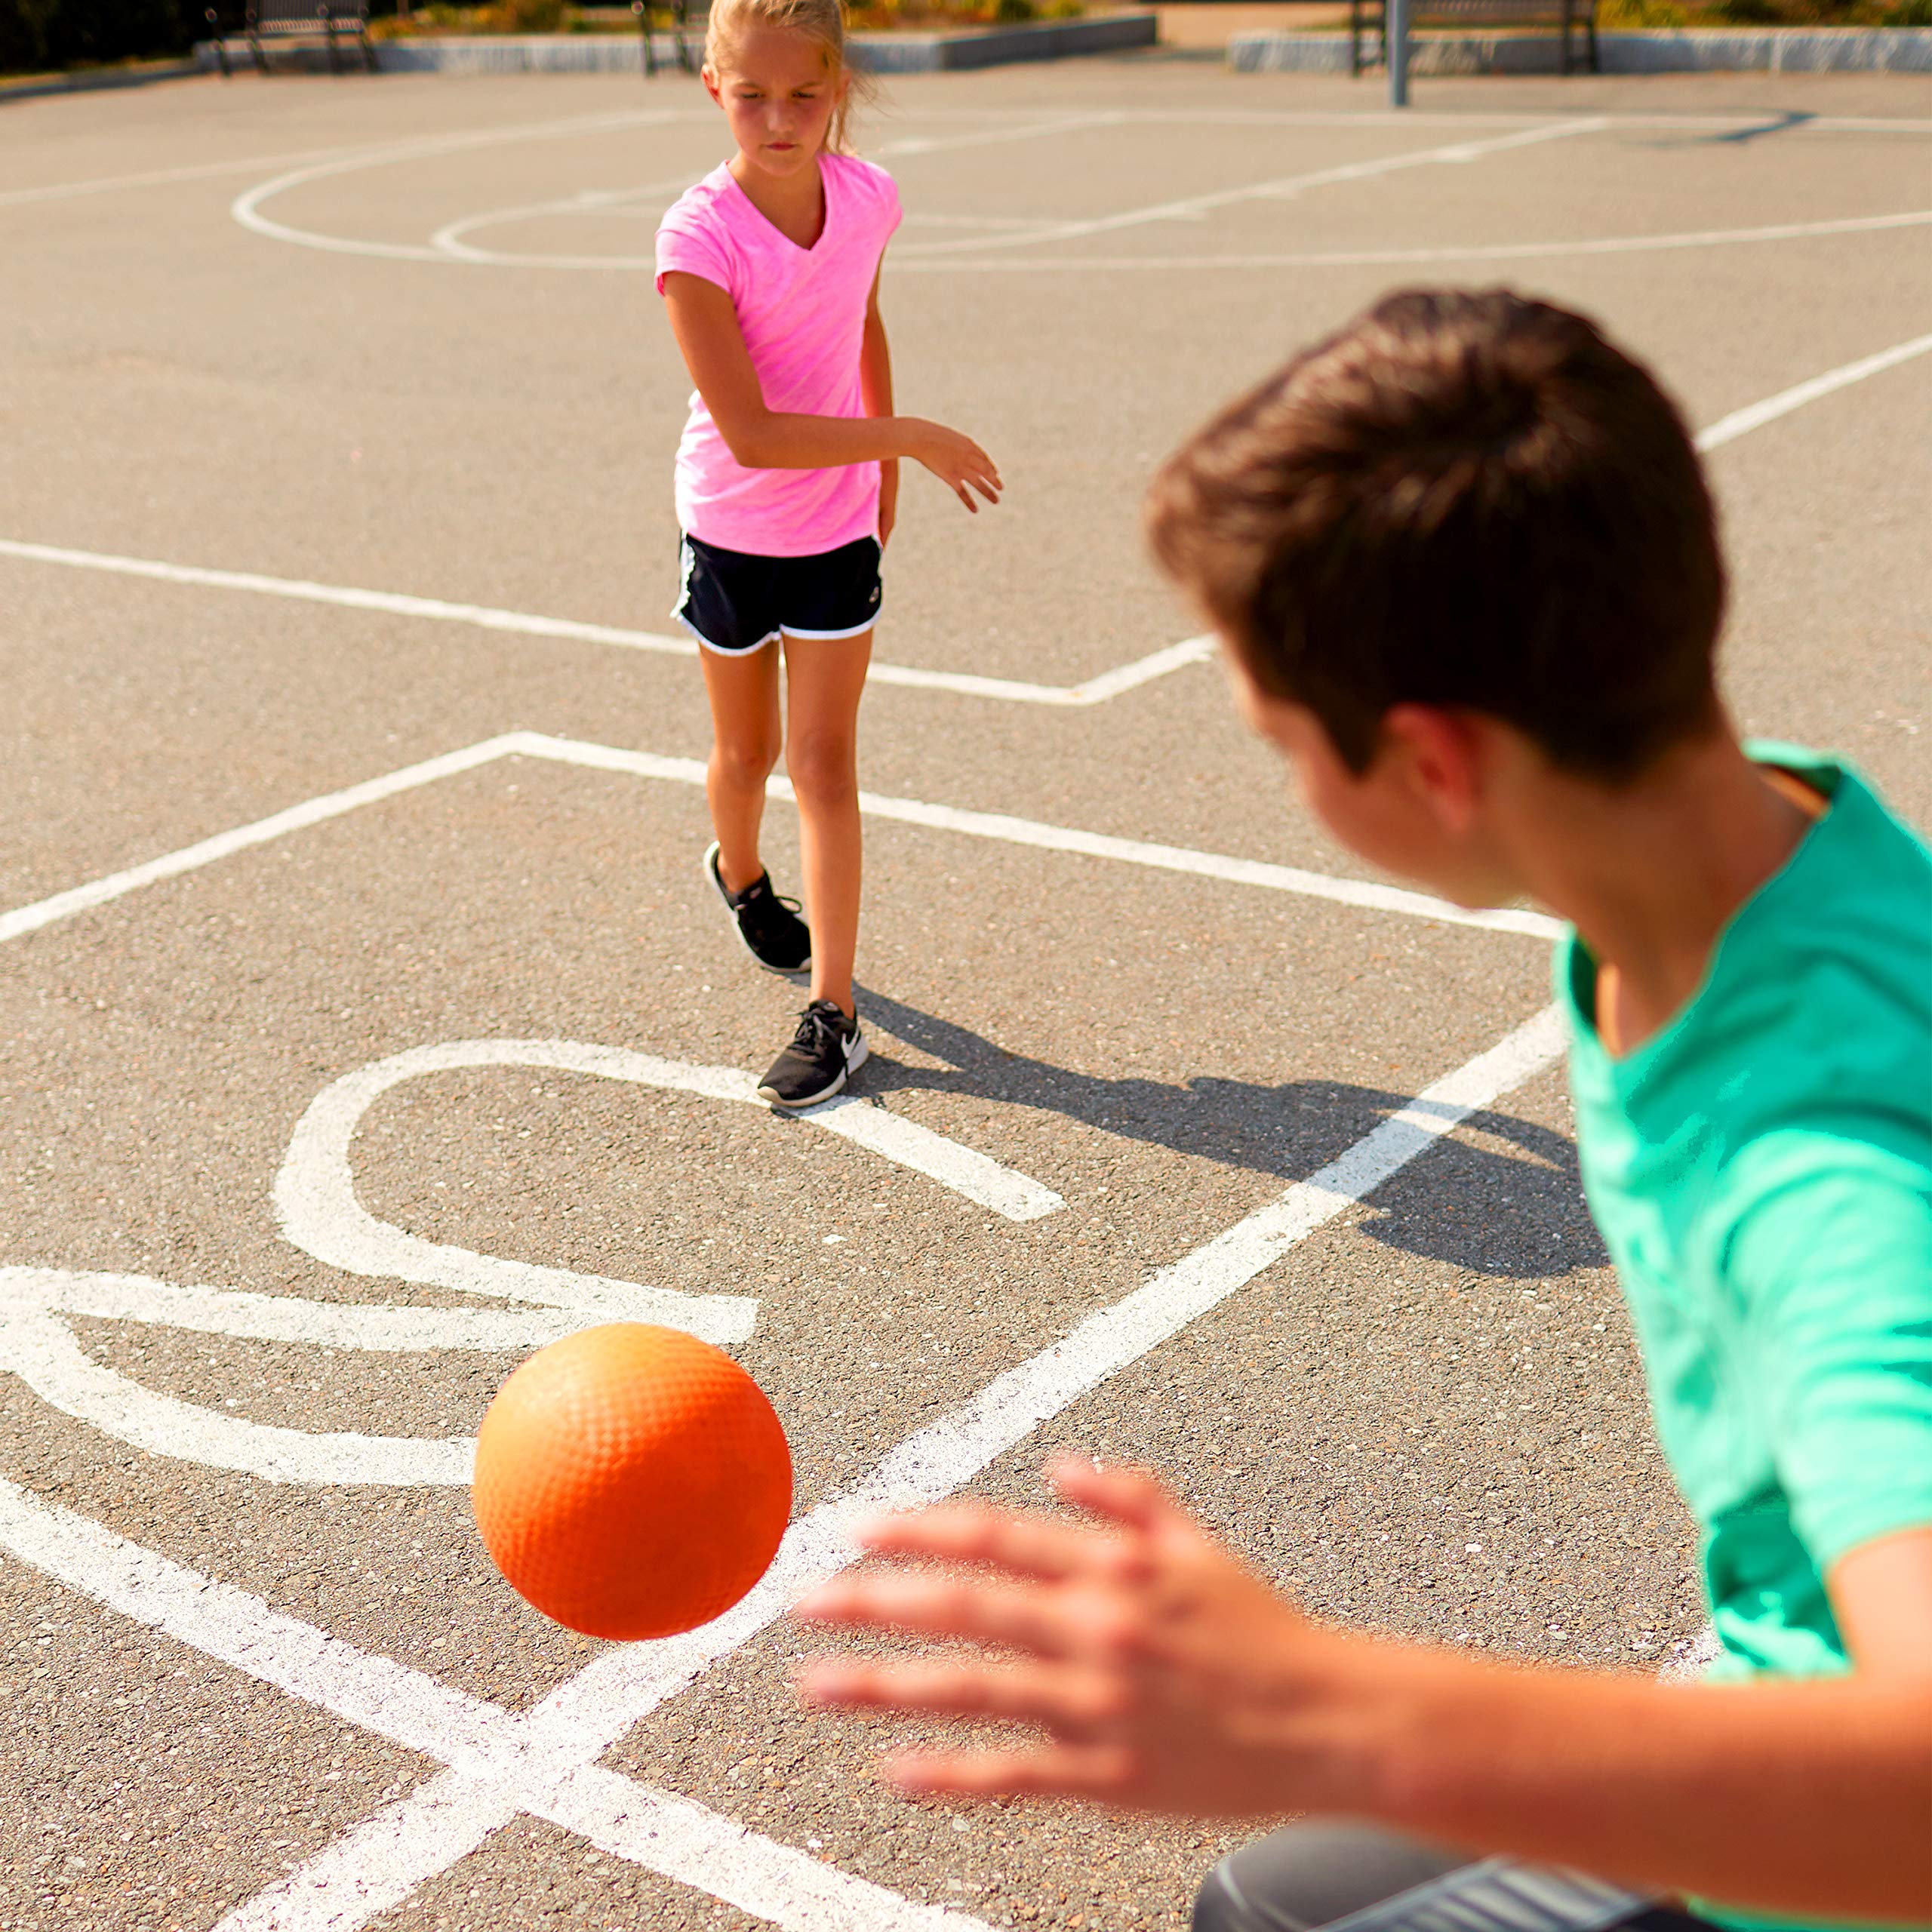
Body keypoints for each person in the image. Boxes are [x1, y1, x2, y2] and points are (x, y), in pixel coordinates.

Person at [793, 291, 1932, 1931]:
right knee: (1270, 1896)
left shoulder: (1811, 1175)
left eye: (1279, 744)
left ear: (1433, 764)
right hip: (1789, 1698)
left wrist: (1319, 1703)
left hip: (1848, 1863)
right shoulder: (1754, 832)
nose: (1284, 778)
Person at [656, 0, 1001, 1109]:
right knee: (743, 756)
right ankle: (740, 873)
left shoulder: (869, 200)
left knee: (824, 763)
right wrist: (906, 437)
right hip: (730, 520)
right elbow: (752, 435)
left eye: (802, 93)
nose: (777, 117)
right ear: (715, 90)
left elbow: (862, 318)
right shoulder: (696, 239)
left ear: (838, 87)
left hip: (833, 530)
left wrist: (882, 469)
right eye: (750, 94)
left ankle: (836, 1013)